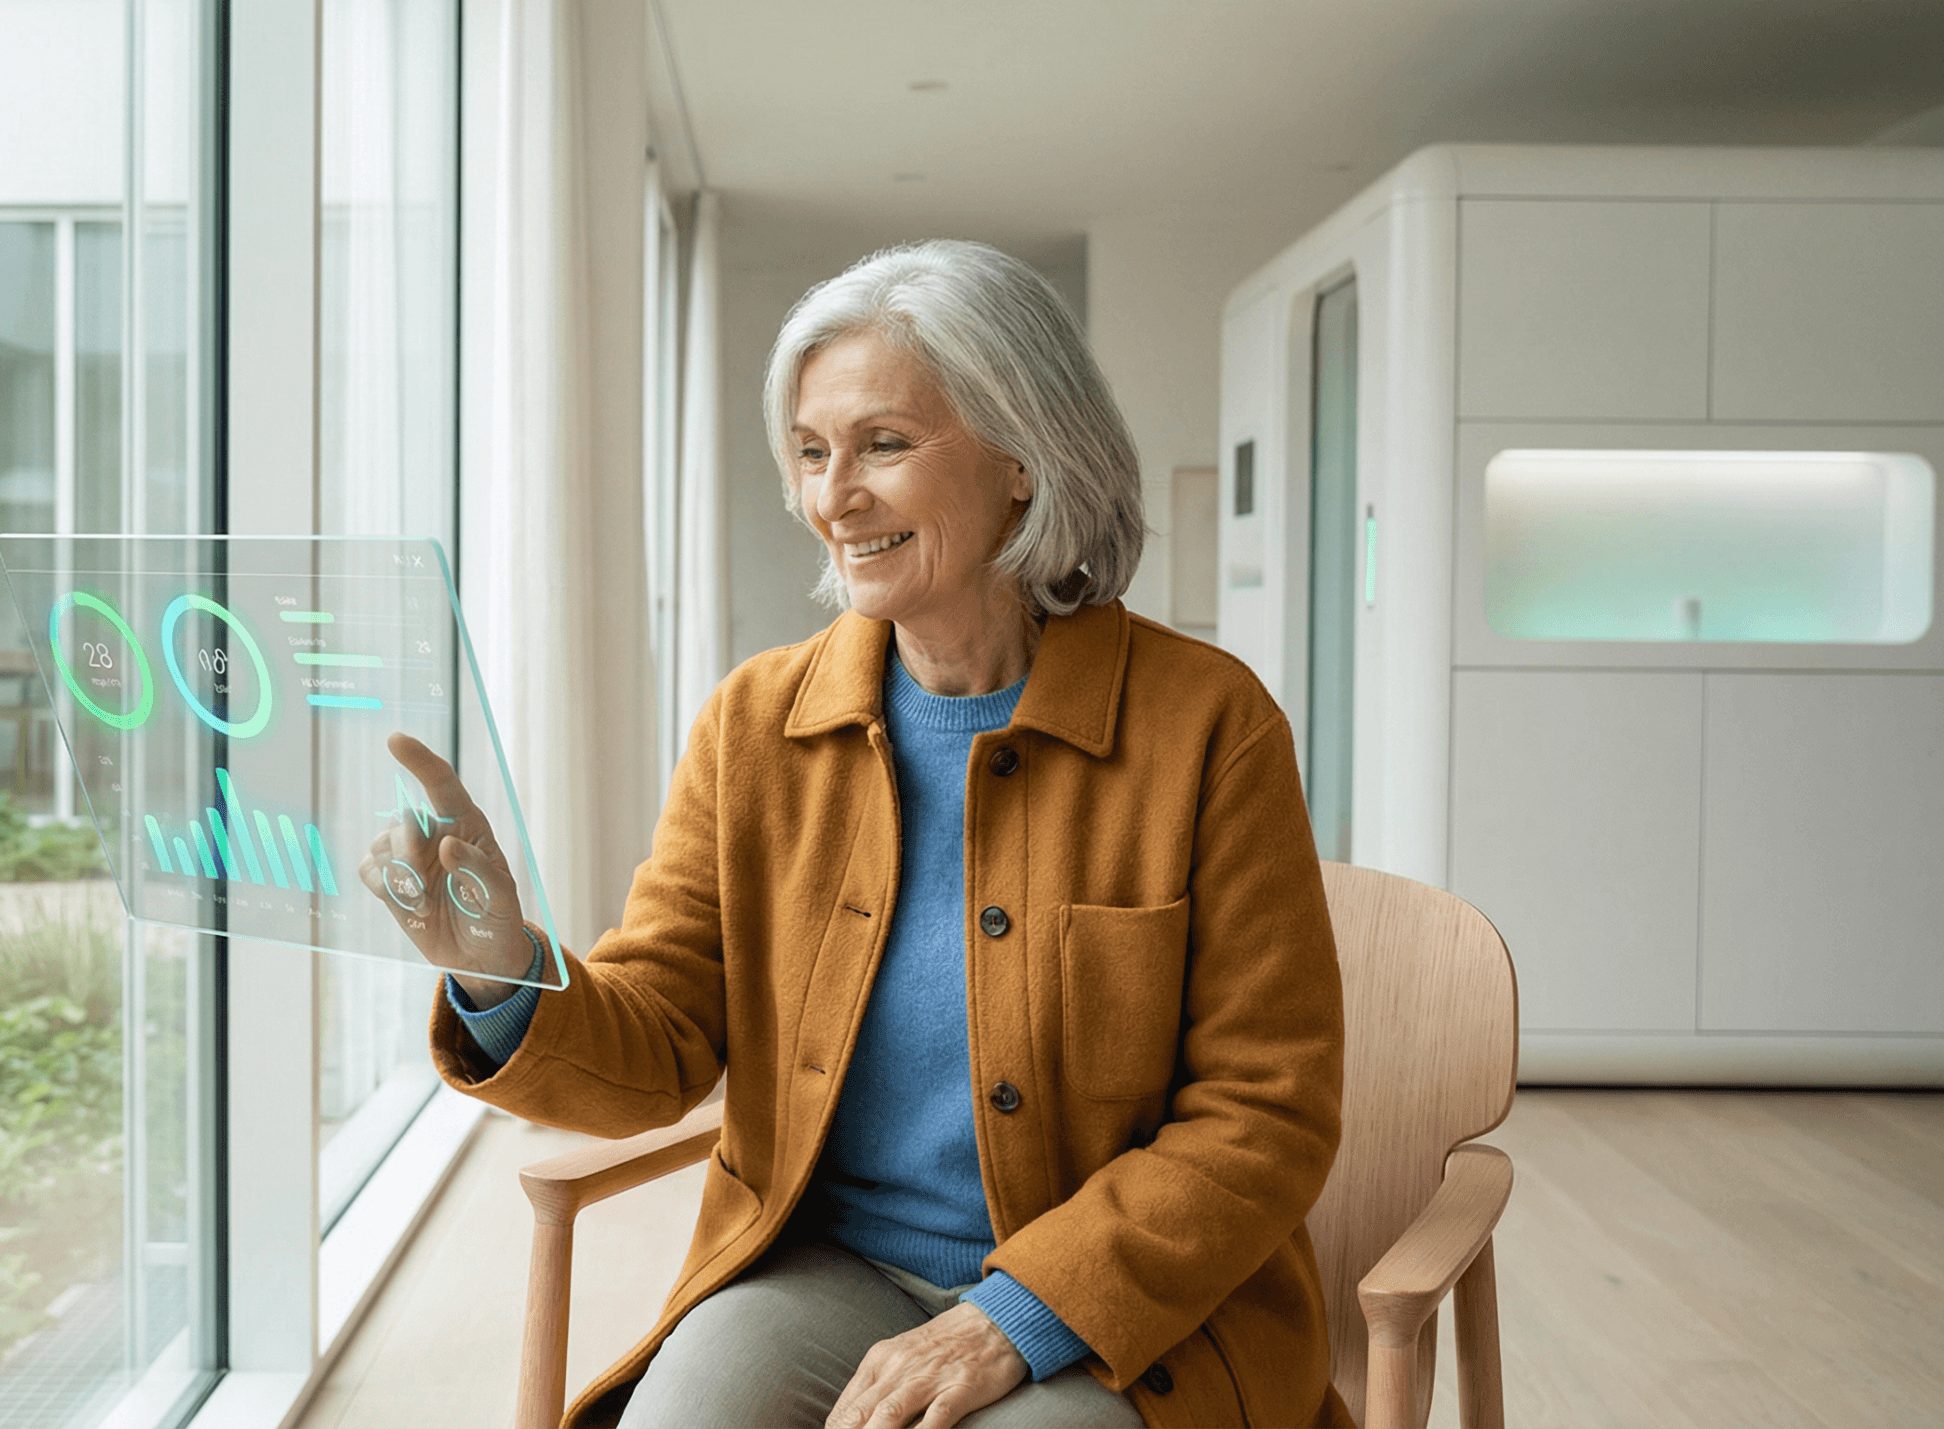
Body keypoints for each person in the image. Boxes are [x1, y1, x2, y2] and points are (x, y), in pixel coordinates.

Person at [364, 239, 1349, 1429]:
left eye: (884, 444)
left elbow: (1264, 1110)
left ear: (1025, 459)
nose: (836, 497)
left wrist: (1016, 1318)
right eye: (812, 453)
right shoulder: (754, 723)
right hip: (827, 1266)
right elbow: (666, 1031)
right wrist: (499, 962)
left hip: (1114, 1306)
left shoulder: (1209, 725)